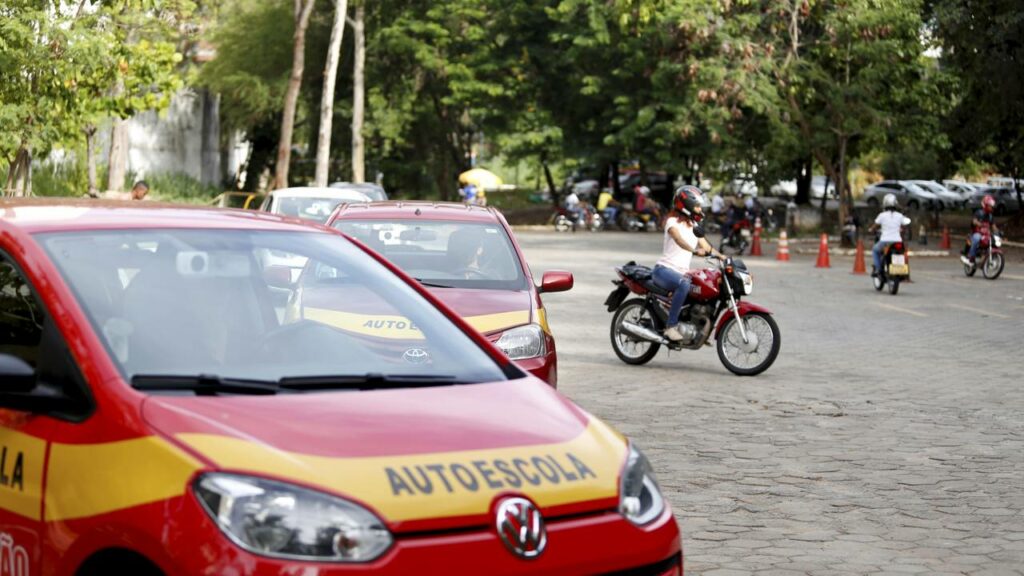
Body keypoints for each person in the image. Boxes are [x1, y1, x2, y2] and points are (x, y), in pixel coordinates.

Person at [652, 186, 724, 341]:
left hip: (682, 272)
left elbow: (707, 247)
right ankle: (670, 327)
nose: (700, 209)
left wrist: (724, 258)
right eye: (697, 206)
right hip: (663, 270)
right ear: (687, 206)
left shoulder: (693, 226)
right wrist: (694, 251)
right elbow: (678, 239)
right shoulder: (671, 222)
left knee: (705, 286)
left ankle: (696, 328)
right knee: (683, 285)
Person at [868, 193, 911, 276]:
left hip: (885, 241)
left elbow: (875, 226)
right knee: (902, 252)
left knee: (875, 250)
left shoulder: (882, 215)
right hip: (898, 241)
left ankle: (877, 269)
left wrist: (871, 229)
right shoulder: (899, 215)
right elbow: (905, 223)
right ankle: (903, 271)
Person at [963, 194, 999, 265]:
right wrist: (978, 223)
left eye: (992, 206)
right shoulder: (979, 212)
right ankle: (971, 258)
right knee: (976, 239)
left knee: (994, 241)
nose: (991, 208)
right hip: (977, 233)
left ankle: (988, 256)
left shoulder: (990, 216)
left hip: (986, 234)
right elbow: (974, 221)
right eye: (990, 206)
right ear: (985, 205)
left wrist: (998, 232)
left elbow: (993, 226)